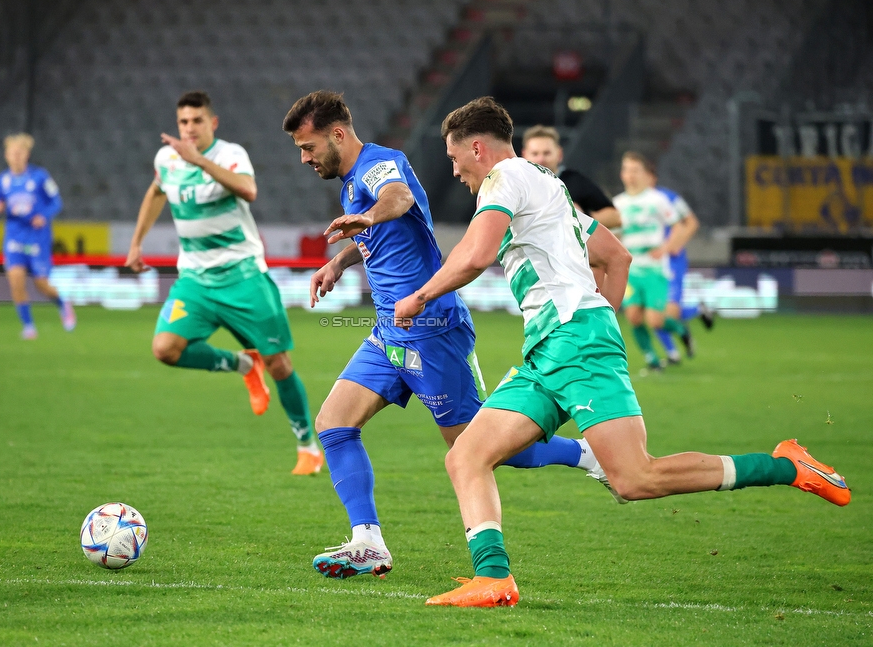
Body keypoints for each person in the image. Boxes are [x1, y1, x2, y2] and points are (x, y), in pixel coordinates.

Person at [393, 96, 850, 608]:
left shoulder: (506, 181)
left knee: (633, 479)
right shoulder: (550, 187)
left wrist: (419, 295)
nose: (454, 171)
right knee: (467, 456)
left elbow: (475, 254)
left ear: (478, 148)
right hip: (551, 347)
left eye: (455, 159)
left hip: (574, 344)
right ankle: (493, 578)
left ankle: (786, 466)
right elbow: (617, 254)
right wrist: (599, 315)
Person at [282, 91, 608, 580]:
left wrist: (368, 216)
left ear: (337, 135)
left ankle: (587, 454)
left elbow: (398, 199)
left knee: (479, 448)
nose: (305, 158)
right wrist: (338, 260)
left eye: (308, 147)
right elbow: (373, 234)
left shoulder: (379, 166)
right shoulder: (352, 183)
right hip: (390, 332)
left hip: (433, 332)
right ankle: (367, 542)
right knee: (333, 424)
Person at [126, 91, 322, 476]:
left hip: (243, 276)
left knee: (279, 364)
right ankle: (241, 363)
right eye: (183, 122)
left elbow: (248, 190)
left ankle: (307, 447)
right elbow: (156, 191)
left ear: (212, 123)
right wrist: (136, 242)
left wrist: (197, 160)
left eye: (197, 121)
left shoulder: (230, 154)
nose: (189, 128)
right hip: (195, 280)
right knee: (165, 348)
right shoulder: (166, 159)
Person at [0, 133, 76, 339]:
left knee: (41, 284)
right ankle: (28, 326)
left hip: (37, 238)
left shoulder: (40, 177)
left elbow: (56, 202)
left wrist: (43, 216)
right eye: (12, 153)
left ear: (26, 155)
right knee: (16, 282)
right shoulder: (2, 181)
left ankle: (63, 304)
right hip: (14, 238)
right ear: (6, 156)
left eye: (20, 152)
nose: (16, 156)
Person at [613, 151, 694, 371]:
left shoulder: (658, 200)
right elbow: (615, 236)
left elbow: (679, 226)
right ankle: (652, 360)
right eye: (627, 170)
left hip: (655, 269)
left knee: (655, 321)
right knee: (633, 317)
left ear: (644, 174)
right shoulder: (617, 203)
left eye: (635, 170)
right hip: (631, 269)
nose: (630, 175)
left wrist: (666, 248)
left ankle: (681, 330)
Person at [643, 168, 714, 364]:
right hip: (648, 263)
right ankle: (673, 353)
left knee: (668, 313)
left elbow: (691, 223)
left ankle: (694, 313)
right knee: (653, 311)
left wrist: (675, 244)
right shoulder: (632, 201)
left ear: (651, 177)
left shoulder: (669, 197)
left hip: (671, 262)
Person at [520, 125, 621, 229]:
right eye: (535, 154)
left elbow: (615, 217)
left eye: (547, 153)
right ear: (524, 155)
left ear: (559, 154)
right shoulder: (518, 185)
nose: (541, 159)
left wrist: (581, 217)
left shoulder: (576, 181)